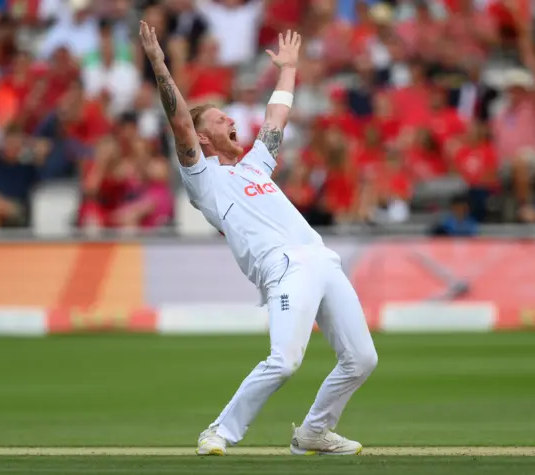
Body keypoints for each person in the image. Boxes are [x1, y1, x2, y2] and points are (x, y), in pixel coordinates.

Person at [139, 22, 378, 456]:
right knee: (285, 360)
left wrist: (288, 69)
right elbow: (178, 120)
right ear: (204, 138)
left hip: (322, 259)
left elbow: (275, 117)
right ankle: (219, 432)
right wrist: (158, 62)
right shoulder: (202, 178)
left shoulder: (253, 166)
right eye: (219, 119)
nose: (232, 119)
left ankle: (313, 433)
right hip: (282, 267)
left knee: (362, 360)